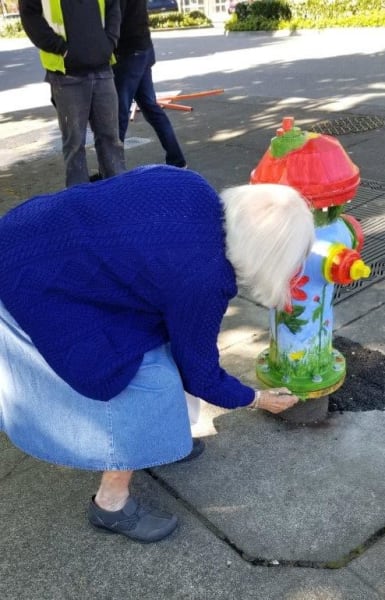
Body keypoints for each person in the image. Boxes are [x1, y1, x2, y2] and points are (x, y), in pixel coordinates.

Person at [0, 166, 314, 543]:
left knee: (166, 342)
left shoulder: (191, 184)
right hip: (28, 283)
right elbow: (200, 374)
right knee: (148, 382)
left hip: (22, 235)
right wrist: (257, 398)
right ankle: (110, 504)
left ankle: (161, 438)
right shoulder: (206, 277)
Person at [19, 0, 126, 187]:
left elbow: (113, 7)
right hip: (66, 74)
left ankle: (116, 198)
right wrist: (61, 47)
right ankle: (79, 205)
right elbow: (29, 14)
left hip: (102, 68)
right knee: (75, 145)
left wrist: (109, 42)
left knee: (110, 139)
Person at [113, 0, 187, 167]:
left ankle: (113, 169)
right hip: (143, 49)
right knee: (150, 107)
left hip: (128, 53)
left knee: (119, 115)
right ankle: (177, 161)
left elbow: (115, 19)